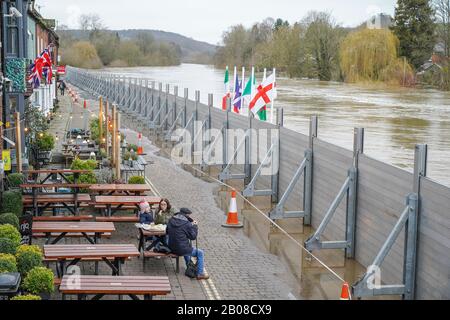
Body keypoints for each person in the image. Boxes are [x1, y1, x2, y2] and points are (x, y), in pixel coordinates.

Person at [167, 208, 209, 280]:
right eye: (189, 215)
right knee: (200, 253)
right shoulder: (187, 224)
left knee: (186, 246)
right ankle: (200, 274)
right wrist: (195, 226)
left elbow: (167, 231)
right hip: (181, 250)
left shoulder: (171, 220)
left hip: (171, 247)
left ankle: (189, 267)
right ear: (187, 215)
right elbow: (193, 237)